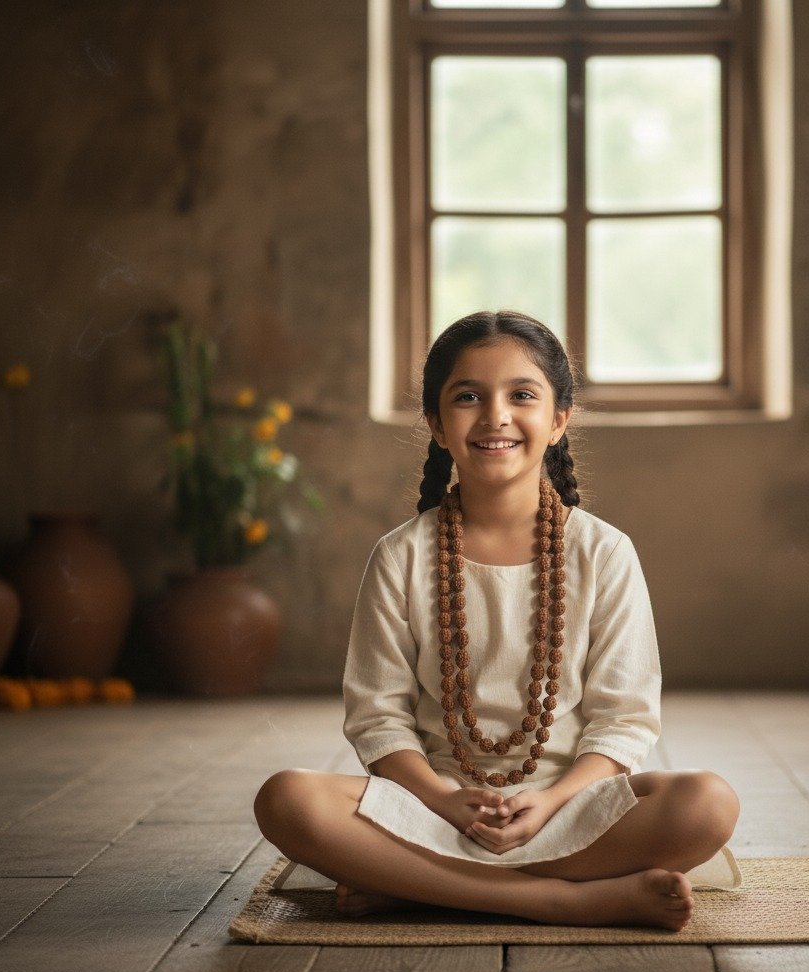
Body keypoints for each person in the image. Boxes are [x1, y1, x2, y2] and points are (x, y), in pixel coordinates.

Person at [254, 310, 740, 932]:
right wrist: (447, 801)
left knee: (707, 804)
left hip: (568, 812)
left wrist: (551, 800)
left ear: (559, 419)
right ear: (436, 424)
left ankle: (424, 889)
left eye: (522, 395)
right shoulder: (401, 556)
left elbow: (624, 719)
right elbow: (378, 718)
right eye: (467, 397)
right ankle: (564, 901)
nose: (495, 417)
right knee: (287, 799)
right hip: (433, 813)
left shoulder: (603, 552)